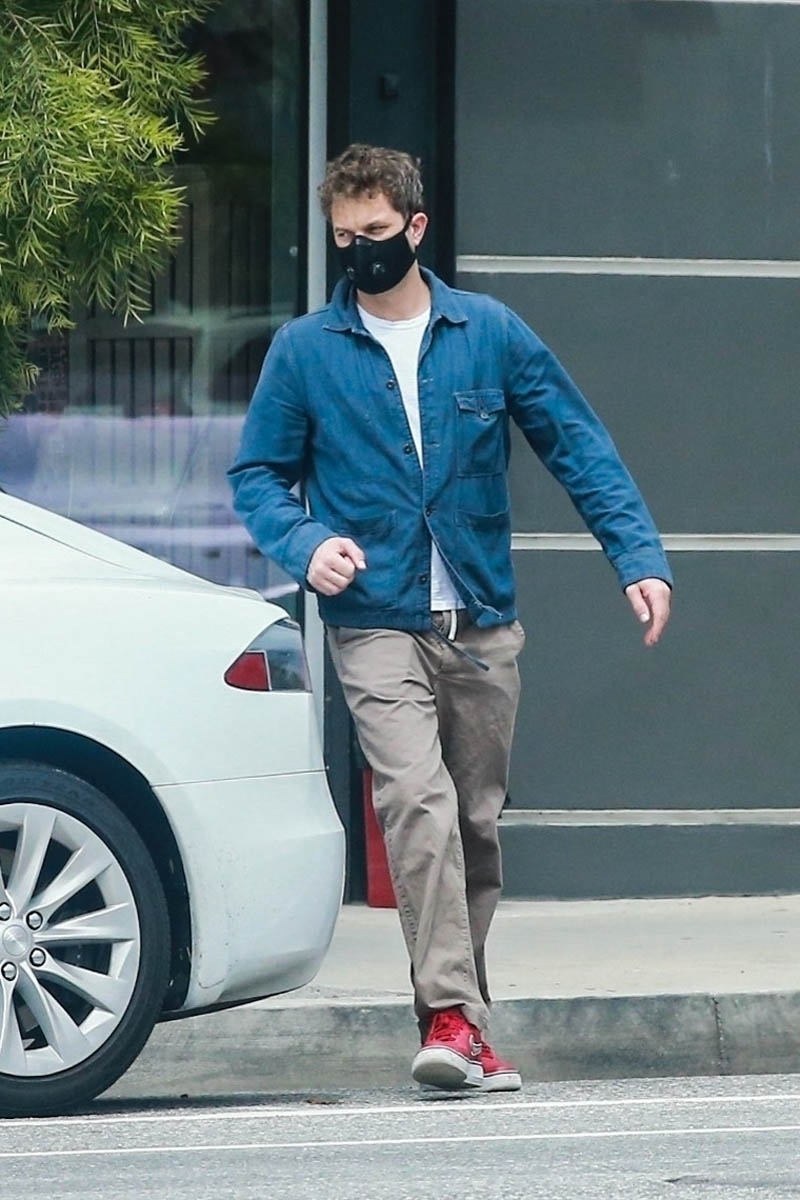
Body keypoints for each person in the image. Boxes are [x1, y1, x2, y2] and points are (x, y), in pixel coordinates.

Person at [229, 143, 672, 1093]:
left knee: (473, 827)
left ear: (416, 227)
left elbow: (577, 443)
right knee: (417, 807)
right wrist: (306, 544)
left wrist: (636, 557)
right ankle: (447, 1015)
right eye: (344, 237)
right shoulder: (306, 351)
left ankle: (465, 1027)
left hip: (479, 620)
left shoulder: (489, 333)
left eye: (376, 232)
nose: (360, 250)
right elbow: (258, 475)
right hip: (374, 618)